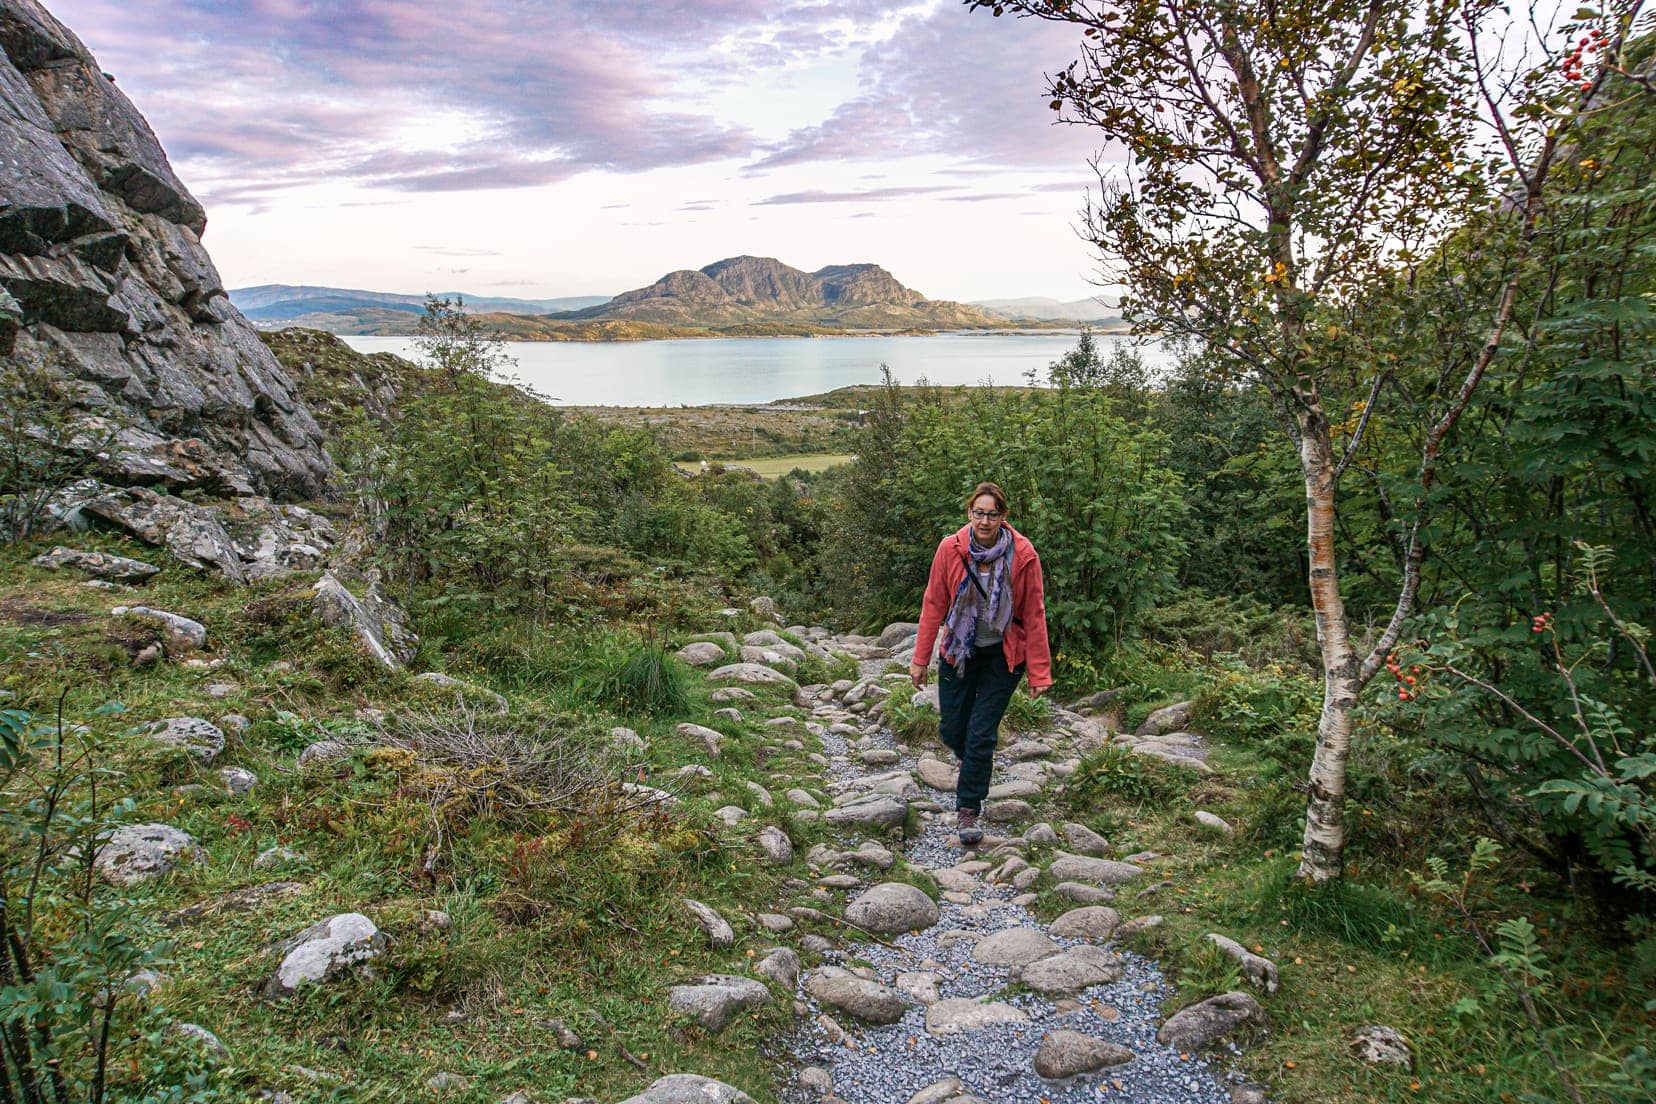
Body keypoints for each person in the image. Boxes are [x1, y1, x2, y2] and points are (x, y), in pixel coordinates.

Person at [909, 481, 1052, 845]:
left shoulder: (1023, 554)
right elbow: (933, 604)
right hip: (959, 650)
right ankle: (968, 759)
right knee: (952, 728)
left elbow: (1034, 614)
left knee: (981, 733)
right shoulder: (951, 549)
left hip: (1005, 655)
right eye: (978, 513)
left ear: (1003, 517)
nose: (984, 521)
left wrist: (1039, 672)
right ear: (969, 513)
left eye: (992, 514)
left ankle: (968, 807)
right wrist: (920, 659)